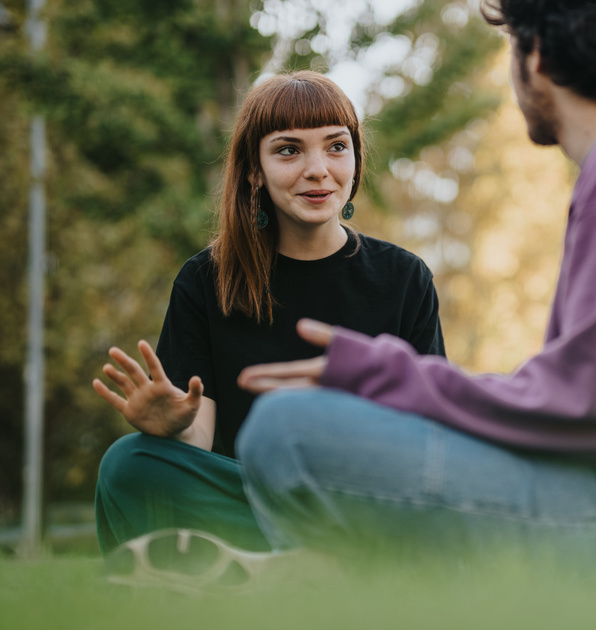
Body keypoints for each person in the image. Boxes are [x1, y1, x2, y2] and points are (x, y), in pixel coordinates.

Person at [230, 0, 596, 578]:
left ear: (539, 55)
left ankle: (318, 589)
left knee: (287, 432)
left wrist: (387, 376)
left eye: (511, 45)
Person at [91, 71, 446, 556]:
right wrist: (175, 430)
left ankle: (307, 569)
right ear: (254, 170)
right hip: (251, 508)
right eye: (289, 150)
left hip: (364, 509)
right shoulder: (205, 281)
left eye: (336, 147)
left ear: (356, 160)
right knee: (127, 464)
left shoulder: (406, 279)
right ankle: (300, 568)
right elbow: (201, 437)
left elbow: (429, 440)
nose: (319, 169)